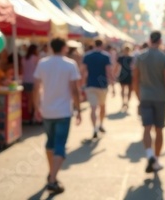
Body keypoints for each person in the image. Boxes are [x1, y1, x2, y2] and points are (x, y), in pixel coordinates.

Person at [32, 38, 82, 194]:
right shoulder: (69, 64)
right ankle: (53, 180)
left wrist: (36, 107)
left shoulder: (43, 63)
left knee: (50, 143)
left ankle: (51, 173)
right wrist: (78, 108)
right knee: (59, 145)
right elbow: (75, 90)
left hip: (47, 110)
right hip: (63, 111)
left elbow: (36, 87)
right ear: (64, 48)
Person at [133, 31, 165, 173]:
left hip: (145, 96)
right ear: (160, 41)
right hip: (160, 97)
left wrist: (138, 95)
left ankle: (149, 154)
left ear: (150, 40)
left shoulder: (140, 56)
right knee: (159, 129)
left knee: (146, 128)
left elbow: (136, 78)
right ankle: (156, 159)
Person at [82, 39, 114, 138]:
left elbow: (82, 71)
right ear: (102, 44)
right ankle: (100, 124)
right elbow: (109, 72)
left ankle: (95, 128)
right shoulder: (106, 56)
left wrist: (82, 84)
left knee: (93, 108)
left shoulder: (87, 56)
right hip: (102, 85)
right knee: (102, 107)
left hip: (90, 84)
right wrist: (113, 85)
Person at [116, 45, 136, 109]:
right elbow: (134, 67)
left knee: (123, 90)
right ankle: (126, 102)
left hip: (123, 74)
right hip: (129, 75)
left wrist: (114, 74)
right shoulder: (132, 58)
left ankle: (124, 102)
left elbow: (116, 67)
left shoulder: (121, 58)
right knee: (129, 90)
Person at [22, 44, 39, 118]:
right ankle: (32, 115)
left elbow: (23, 69)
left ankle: (30, 115)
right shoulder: (35, 58)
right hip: (32, 80)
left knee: (30, 99)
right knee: (33, 99)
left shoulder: (24, 58)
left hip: (25, 80)